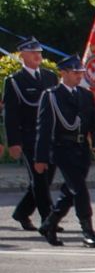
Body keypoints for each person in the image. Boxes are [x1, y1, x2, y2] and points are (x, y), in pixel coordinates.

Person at [33, 55, 95, 248]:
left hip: (81, 149)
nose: (79, 76)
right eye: (75, 72)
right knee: (79, 190)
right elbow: (44, 127)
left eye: (81, 72)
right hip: (62, 148)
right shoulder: (52, 95)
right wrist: (40, 158)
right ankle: (88, 231)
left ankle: (49, 224)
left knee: (70, 191)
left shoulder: (85, 95)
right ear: (63, 73)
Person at [3, 37, 57, 231]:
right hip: (28, 136)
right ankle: (48, 218)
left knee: (46, 178)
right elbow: (11, 115)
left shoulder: (50, 77)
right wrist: (14, 142)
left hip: (49, 136)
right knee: (39, 177)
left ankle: (22, 212)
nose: (38, 55)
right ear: (22, 55)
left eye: (39, 52)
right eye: (33, 52)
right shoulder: (14, 81)